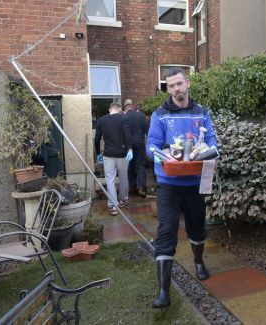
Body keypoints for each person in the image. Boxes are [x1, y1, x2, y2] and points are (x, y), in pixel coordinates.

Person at [147, 67, 218, 308]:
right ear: (167, 88)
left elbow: (212, 142)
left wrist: (209, 154)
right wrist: (164, 158)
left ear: (187, 83)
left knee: (197, 225)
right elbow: (152, 145)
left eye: (179, 83)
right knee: (166, 230)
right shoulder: (160, 115)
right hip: (168, 182)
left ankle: (198, 261)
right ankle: (163, 292)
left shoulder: (202, 112)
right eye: (171, 85)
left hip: (194, 182)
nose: (176, 89)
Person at [94, 102, 133, 216]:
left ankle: (112, 206)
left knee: (110, 179)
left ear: (110, 109)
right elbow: (127, 135)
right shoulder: (123, 118)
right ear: (119, 109)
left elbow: (97, 138)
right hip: (122, 154)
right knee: (123, 177)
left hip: (108, 154)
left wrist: (97, 153)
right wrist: (130, 149)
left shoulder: (101, 120)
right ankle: (123, 199)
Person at [123, 99, 148, 196]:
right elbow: (147, 130)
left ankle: (132, 186)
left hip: (129, 145)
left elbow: (123, 133)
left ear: (125, 107)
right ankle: (141, 187)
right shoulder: (141, 115)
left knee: (130, 165)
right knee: (140, 165)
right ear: (132, 106)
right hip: (139, 143)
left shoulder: (124, 117)